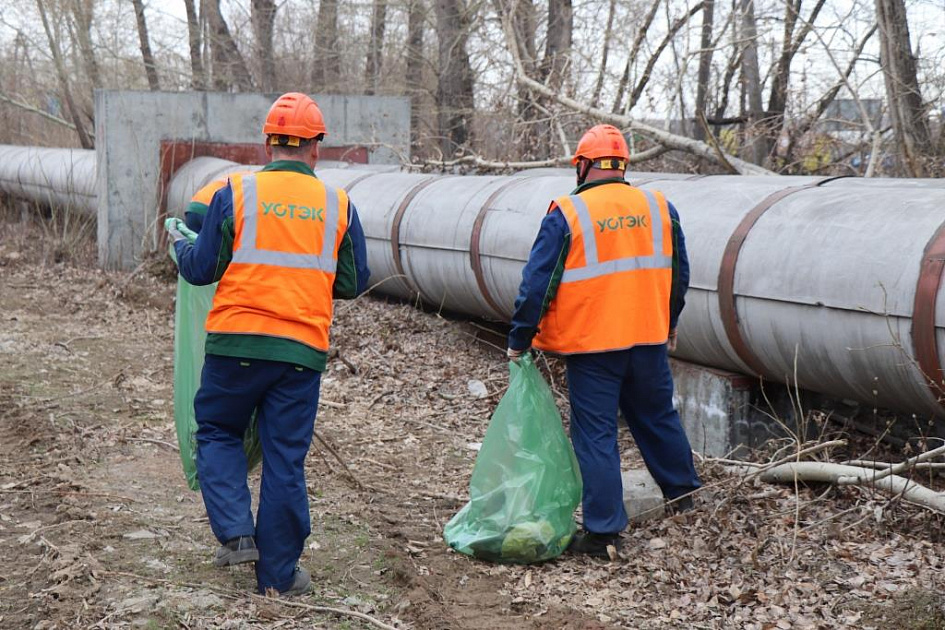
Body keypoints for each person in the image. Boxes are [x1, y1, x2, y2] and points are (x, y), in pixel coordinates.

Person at [166, 92, 370, 594]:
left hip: (235, 344)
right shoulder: (339, 205)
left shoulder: (235, 192)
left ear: (268, 143)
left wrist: (178, 242)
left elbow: (200, 269)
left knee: (216, 431)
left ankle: (236, 534)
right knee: (284, 459)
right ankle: (277, 578)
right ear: (316, 147)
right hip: (300, 354)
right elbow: (351, 281)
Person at [506, 124, 701, 558]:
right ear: (623, 165)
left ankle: (604, 532)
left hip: (593, 346)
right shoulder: (658, 206)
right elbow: (679, 275)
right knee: (656, 417)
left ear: (583, 165)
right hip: (647, 338)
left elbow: (536, 285)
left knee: (595, 434)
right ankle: (685, 497)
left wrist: (520, 337)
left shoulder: (567, 212)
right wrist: (668, 324)